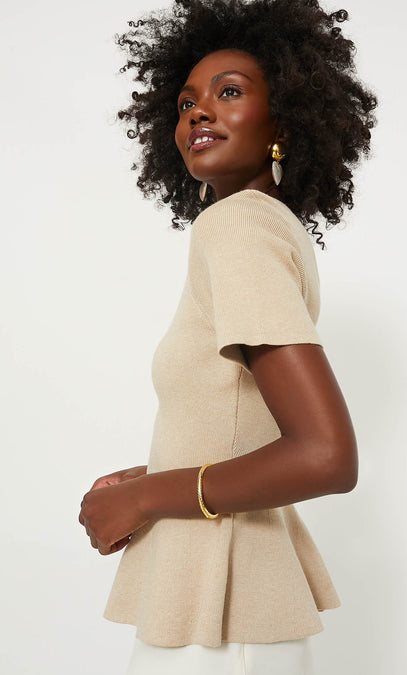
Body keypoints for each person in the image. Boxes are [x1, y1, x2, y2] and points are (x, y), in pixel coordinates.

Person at [78, 0, 377, 672]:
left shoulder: (237, 226)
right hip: (224, 608)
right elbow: (246, 426)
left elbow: (326, 454)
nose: (198, 113)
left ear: (284, 121)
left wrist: (145, 496)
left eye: (230, 92)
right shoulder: (265, 227)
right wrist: (157, 471)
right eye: (186, 103)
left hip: (219, 617)